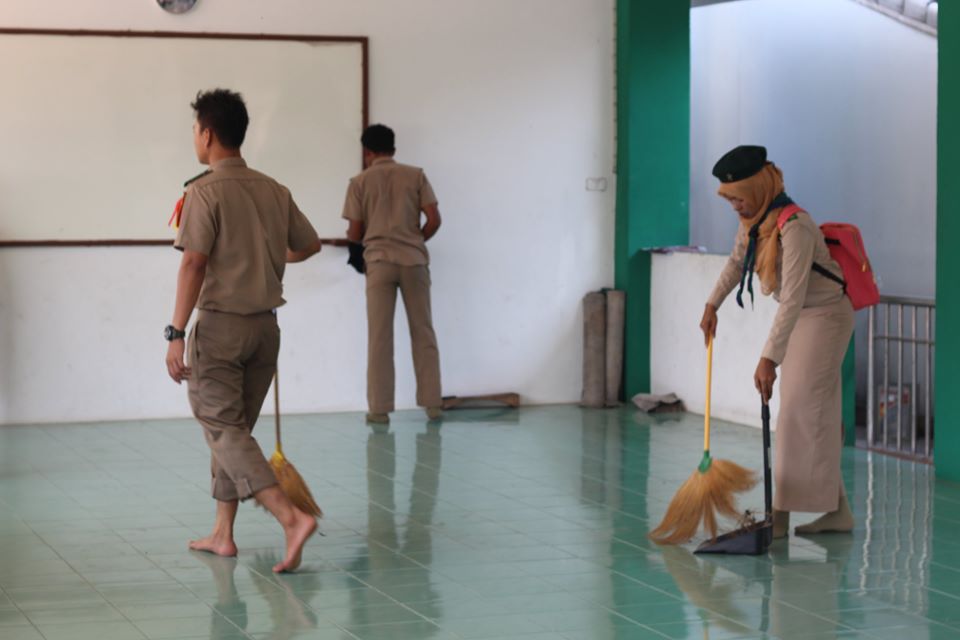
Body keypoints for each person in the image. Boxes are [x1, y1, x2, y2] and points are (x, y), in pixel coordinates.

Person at [164, 88, 322, 572]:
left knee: (223, 427)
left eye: (196, 130)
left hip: (221, 330)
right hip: (264, 331)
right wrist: (265, 257)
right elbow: (309, 244)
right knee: (234, 431)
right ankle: (223, 534)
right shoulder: (274, 189)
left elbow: (193, 262)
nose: (195, 138)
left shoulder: (204, 191)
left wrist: (175, 332)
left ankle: (290, 518)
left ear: (208, 134)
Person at [700, 145, 855, 539]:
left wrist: (768, 358)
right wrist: (712, 304)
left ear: (757, 188)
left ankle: (779, 520)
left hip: (825, 316)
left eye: (738, 197)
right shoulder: (755, 221)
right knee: (809, 414)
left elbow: (793, 298)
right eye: (729, 199)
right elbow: (737, 262)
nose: (734, 206)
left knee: (796, 414)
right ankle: (836, 512)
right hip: (805, 316)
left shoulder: (795, 226)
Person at [342, 124, 443, 424]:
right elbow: (434, 219)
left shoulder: (359, 182)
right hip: (414, 261)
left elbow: (355, 231)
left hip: (379, 263)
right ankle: (433, 403)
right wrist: (416, 240)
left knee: (380, 337)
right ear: (394, 149)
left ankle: (379, 409)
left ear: (367, 152)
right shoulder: (416, 175)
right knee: (423, 331)